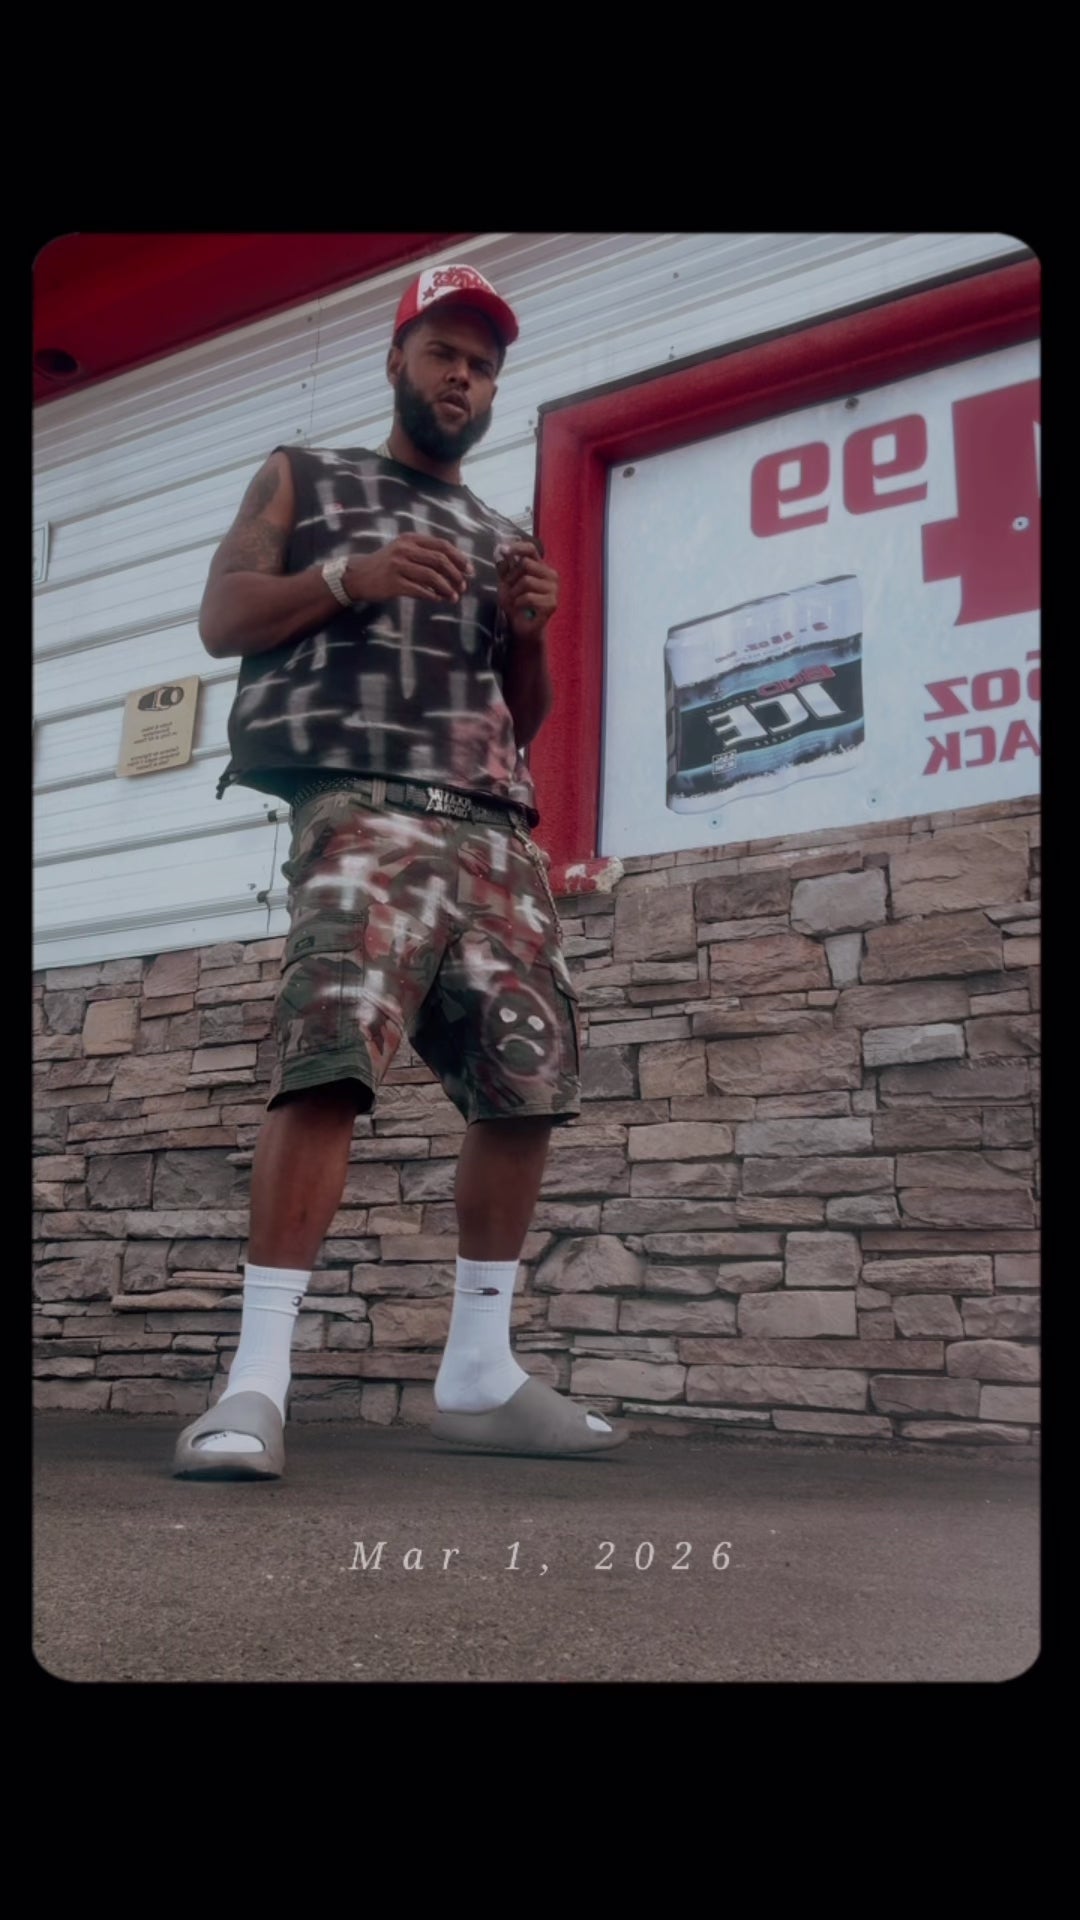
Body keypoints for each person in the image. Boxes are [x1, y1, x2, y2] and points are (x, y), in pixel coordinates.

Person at [173, 264, 627, 1477]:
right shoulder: (306, 476)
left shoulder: (505, 534)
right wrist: (347, 579)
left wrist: (528, 630)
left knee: (527, 1083)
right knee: (329, 1061)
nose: (462, 379)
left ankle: (480, 1374)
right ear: (397, 360)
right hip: (362, 804)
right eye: (443, 353)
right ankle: (255, 1383)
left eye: (482, 365)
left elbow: (519, 715)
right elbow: (222, 620)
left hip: (492, 827)